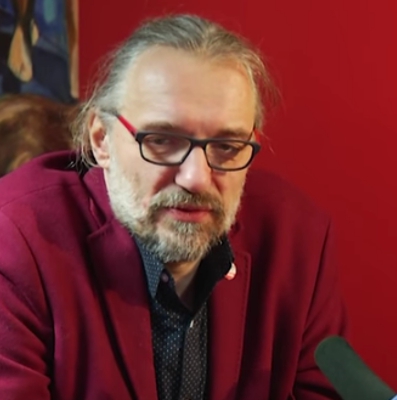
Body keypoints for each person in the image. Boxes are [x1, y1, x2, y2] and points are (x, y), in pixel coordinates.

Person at [0, 14, 348, 400]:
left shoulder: (298, 241)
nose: (196, 178)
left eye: (227, 146)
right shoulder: (16, 239)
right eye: (162, 141)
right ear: (101, 140)